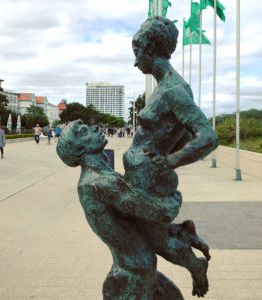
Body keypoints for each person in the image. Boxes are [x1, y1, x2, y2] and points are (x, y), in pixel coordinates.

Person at [57, 121, 210, 299]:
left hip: (138, 269)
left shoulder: (104, 176)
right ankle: (195, 264)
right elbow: (162, 212)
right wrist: (176, 196)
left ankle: (192, 258)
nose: (96, 128)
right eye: (84, 131)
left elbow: (137, 216)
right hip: (134, 275)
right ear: (79, 150)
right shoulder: (100, 183)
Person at [122, 16, 218, 297]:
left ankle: (195, 266)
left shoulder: (174, 90)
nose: (135, 61)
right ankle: (181, 233)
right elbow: (182, 134)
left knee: (158, 243)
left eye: (136, 53)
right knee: (138, 234)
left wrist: (169, 161)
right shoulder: (162, 87)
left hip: (150, 180)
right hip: (142, 176)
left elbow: (207, 137)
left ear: (150, 48)